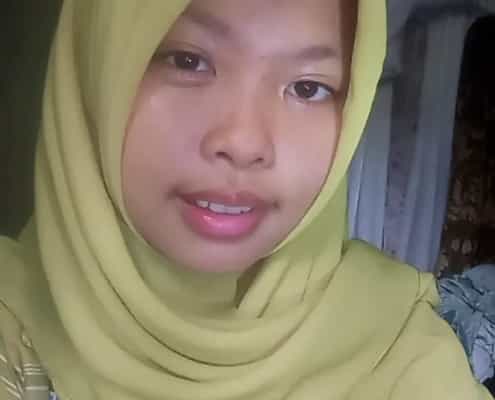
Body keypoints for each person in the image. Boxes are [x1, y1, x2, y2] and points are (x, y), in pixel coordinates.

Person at [0, 0, 491, 399]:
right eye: (188, 60)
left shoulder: (396, 352)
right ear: (93, 65)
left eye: (308, 88)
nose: (243, 142)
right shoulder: (14, 322)